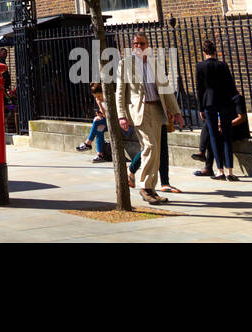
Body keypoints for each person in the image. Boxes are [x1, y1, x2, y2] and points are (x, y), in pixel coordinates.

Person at [116, 32, 183, 205]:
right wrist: (121, 115)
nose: (138, 47)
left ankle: (151, 189)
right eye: (135, 44)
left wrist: (176, 112)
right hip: (140, 110)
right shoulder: (125, 64)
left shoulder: (155, 64)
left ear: (148, 46)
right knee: (150, 146)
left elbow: (166, 88)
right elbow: (120, 93)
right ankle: (145, 187)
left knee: (156, 150)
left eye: (142, 44)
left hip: (156, 109)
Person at [195, 39, 240, 182]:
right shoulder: (223, 65)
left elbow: (200, 88)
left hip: (209, 103)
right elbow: (231, 85)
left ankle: (219, 171)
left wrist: (201, 107)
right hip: (225, 102)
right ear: (215, 52)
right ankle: (230, 171)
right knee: (227, 137)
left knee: (214, 137)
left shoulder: (200, 66)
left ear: (204, 53)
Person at [193, 91, 250, 177]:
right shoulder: (220, 99)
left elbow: (241, 118)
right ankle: (204, 160)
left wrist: (224, 124)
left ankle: (204, 159)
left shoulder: (237, 98)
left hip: (237, 130)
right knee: (210, 129)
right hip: (224, 128)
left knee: (212, 132)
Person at [76, 82, 111, 162]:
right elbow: (105, 115)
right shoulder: (98, 100)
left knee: (96, 122)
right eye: (95, 97)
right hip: (107, 121)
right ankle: (99, 154)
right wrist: (100, 114)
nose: (98, 98)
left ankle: (88, 143)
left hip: (115, 122)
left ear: (103, 92)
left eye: (99, 96)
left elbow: (111, 116)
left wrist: (101, 111)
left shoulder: (110, 98)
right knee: (99, 128)